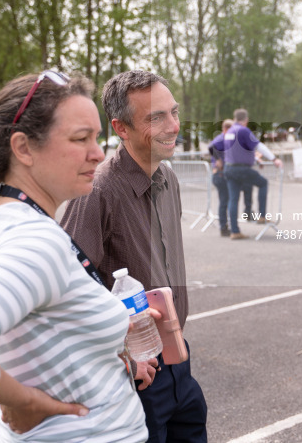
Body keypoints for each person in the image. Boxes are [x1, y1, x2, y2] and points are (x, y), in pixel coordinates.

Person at [0, 70, 153, 443]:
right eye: (80, 138)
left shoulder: (0, 226)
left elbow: (36, 340)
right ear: (23, 149)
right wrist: (26, 402)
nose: (97, 153)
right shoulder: (34, 240)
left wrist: (110, 359)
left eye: (97, 137)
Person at [61, 70, 207, 443]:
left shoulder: (168, 179)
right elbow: (67, 291)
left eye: (173, 112)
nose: (172, 125)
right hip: (134, 376)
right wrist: (123, 357)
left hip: (179, 360)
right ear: (121, 128)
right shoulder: (97, 191)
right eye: (156, 117)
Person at [222, 108, 283, 239]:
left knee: (233, 199)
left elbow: (237, 151)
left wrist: (255, 159)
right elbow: (258, 146)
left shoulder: (229, 132)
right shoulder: (243, 130)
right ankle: (261, 215)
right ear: (246, 120)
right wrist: (274, 158)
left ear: (234, 118)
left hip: (229, 168)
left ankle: (234, 231)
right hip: (241, 169)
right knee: (263, 183)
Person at [208, 119, 253, 237]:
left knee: (245, 187)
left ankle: (247, 211)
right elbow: (211, 147)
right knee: (225, 200)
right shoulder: (223, 137)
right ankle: (224, 227)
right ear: (226, 129)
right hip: (220, 173)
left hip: (225, 173)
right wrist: (218, 160)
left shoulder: (229, 139)